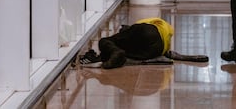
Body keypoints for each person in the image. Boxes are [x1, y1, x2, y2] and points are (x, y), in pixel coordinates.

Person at [80, 17, 208, 69]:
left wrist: (126, 30)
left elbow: (137, 27)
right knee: (128, 53)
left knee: (105, 41)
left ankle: (114, 52)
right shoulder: (164, 28)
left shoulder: (144, 25)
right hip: (156, 49)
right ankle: (115, 54)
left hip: (148, 33)